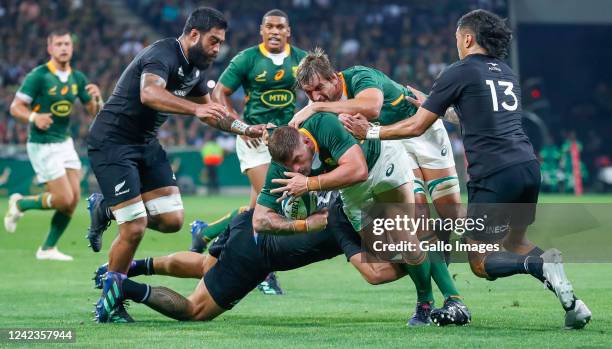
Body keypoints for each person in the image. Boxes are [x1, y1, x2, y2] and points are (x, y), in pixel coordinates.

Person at [339, 9, 590, 329]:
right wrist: (431, 103)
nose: (456, 43)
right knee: (516, 243)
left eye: (458, 38)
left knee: (480, 262)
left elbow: (416, 127)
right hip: (527, 167)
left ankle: (539, 266)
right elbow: (465, 117)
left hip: (494, 174)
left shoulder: (458, 71)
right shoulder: (505, 72)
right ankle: (573, 304)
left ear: (468, 38)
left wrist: (370, 132)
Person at [85, 7, 265, 323]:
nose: (217, 49)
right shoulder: (162, 53)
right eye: (213, 40)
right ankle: (109, 303)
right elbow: (149, 93)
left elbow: (212, 110)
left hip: (146, 144)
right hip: (113, 142)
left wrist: (244, 128)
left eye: (221, 43)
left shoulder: (194, 71)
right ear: (193, 34)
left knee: (171, 220)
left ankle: (106, 208)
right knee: (135, 226)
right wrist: (193, 111)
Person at [287, 48, 466, 325]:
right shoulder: (322, 113)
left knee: (451, 213)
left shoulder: (360, 77)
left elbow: (371, 108)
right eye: (309, 94)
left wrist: (317, 106)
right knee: (415, 220)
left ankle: (468, 248)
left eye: (320, 88)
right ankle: (447, 299)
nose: (316, 97)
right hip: (390, 141)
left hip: (423, 130)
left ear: (334, 78)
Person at [253, 120, 470, 326]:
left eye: (298, 159)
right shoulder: (283, 161)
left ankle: (433, 301)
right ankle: (434, 252)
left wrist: (309, 184)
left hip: (379, 167)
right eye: (289, 164)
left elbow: (358, 170)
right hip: (344, 203)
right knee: (377, 271)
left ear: (306, 142)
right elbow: (259, 220)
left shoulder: (324, 124)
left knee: (407, 237)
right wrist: (306, 225)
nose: (297, 168)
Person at [91, 192, 410, 322]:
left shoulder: (346, 194)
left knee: (206, 266)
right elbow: (375, 274)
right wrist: (416, 263)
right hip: (256, 254)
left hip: (249, 219)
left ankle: (131, 267)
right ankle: (121, 286)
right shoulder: (345, 222)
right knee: (195, 310)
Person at [190, 9, 307, 295]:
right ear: (261, 31)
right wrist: (241, 127)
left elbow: (319, 93)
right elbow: (219, 94)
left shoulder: (302, 60)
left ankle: (207, 232)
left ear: (288, 31)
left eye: (281, 27)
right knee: (277, 202)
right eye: (270, 27)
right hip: (254, 139)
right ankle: (265, 273)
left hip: (287, 142)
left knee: (256, 210)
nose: (276, 31)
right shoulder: (246, 59)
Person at [5, 29, 103, 261]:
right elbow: (15, 107)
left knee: (73, 200)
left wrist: (97, 98)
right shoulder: (38, 76)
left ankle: (48, 249)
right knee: (62, 199)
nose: (63, 48)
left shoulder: (77, 78)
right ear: (49, 48)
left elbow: (94, 113)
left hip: (64, 142)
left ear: (72, 47)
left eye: (67, 43)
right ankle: (20, 203)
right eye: (58, 44)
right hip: (42, 143)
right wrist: (33, 117)